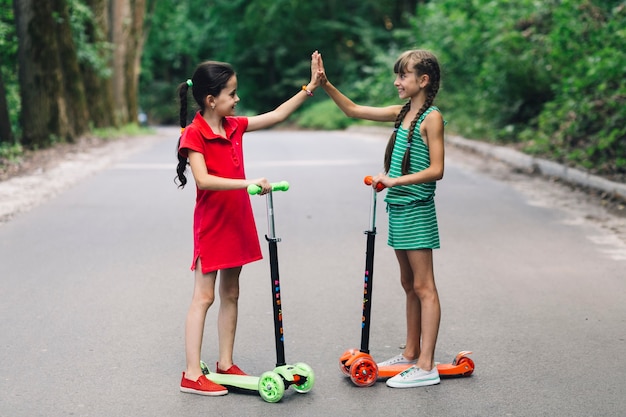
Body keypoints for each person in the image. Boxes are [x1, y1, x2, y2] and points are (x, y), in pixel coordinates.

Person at [175, 52, 321, 396]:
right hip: (212, 224)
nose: (238, 100)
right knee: (204, 297)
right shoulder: (194, 135)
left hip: (238, 220)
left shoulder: (234, 126)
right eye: (232, 94)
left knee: (232, 292)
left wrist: (310, 87)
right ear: (212, 100)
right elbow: (204, 180)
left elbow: (278, 114)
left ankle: (225, 363)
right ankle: (192, 373)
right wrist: (247, 183)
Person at [316, 50, 445, 388]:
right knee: (408, 285)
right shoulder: (401, 114)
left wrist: (393, 179)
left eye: (403, 76)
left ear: (423, 80)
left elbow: (437, 170)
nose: (397, 81)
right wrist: (325, 84)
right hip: (399, 208)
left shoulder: (432, 117)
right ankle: (412, 352)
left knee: (424, 286)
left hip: (417, 209)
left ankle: (427, 365)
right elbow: (355, 110)